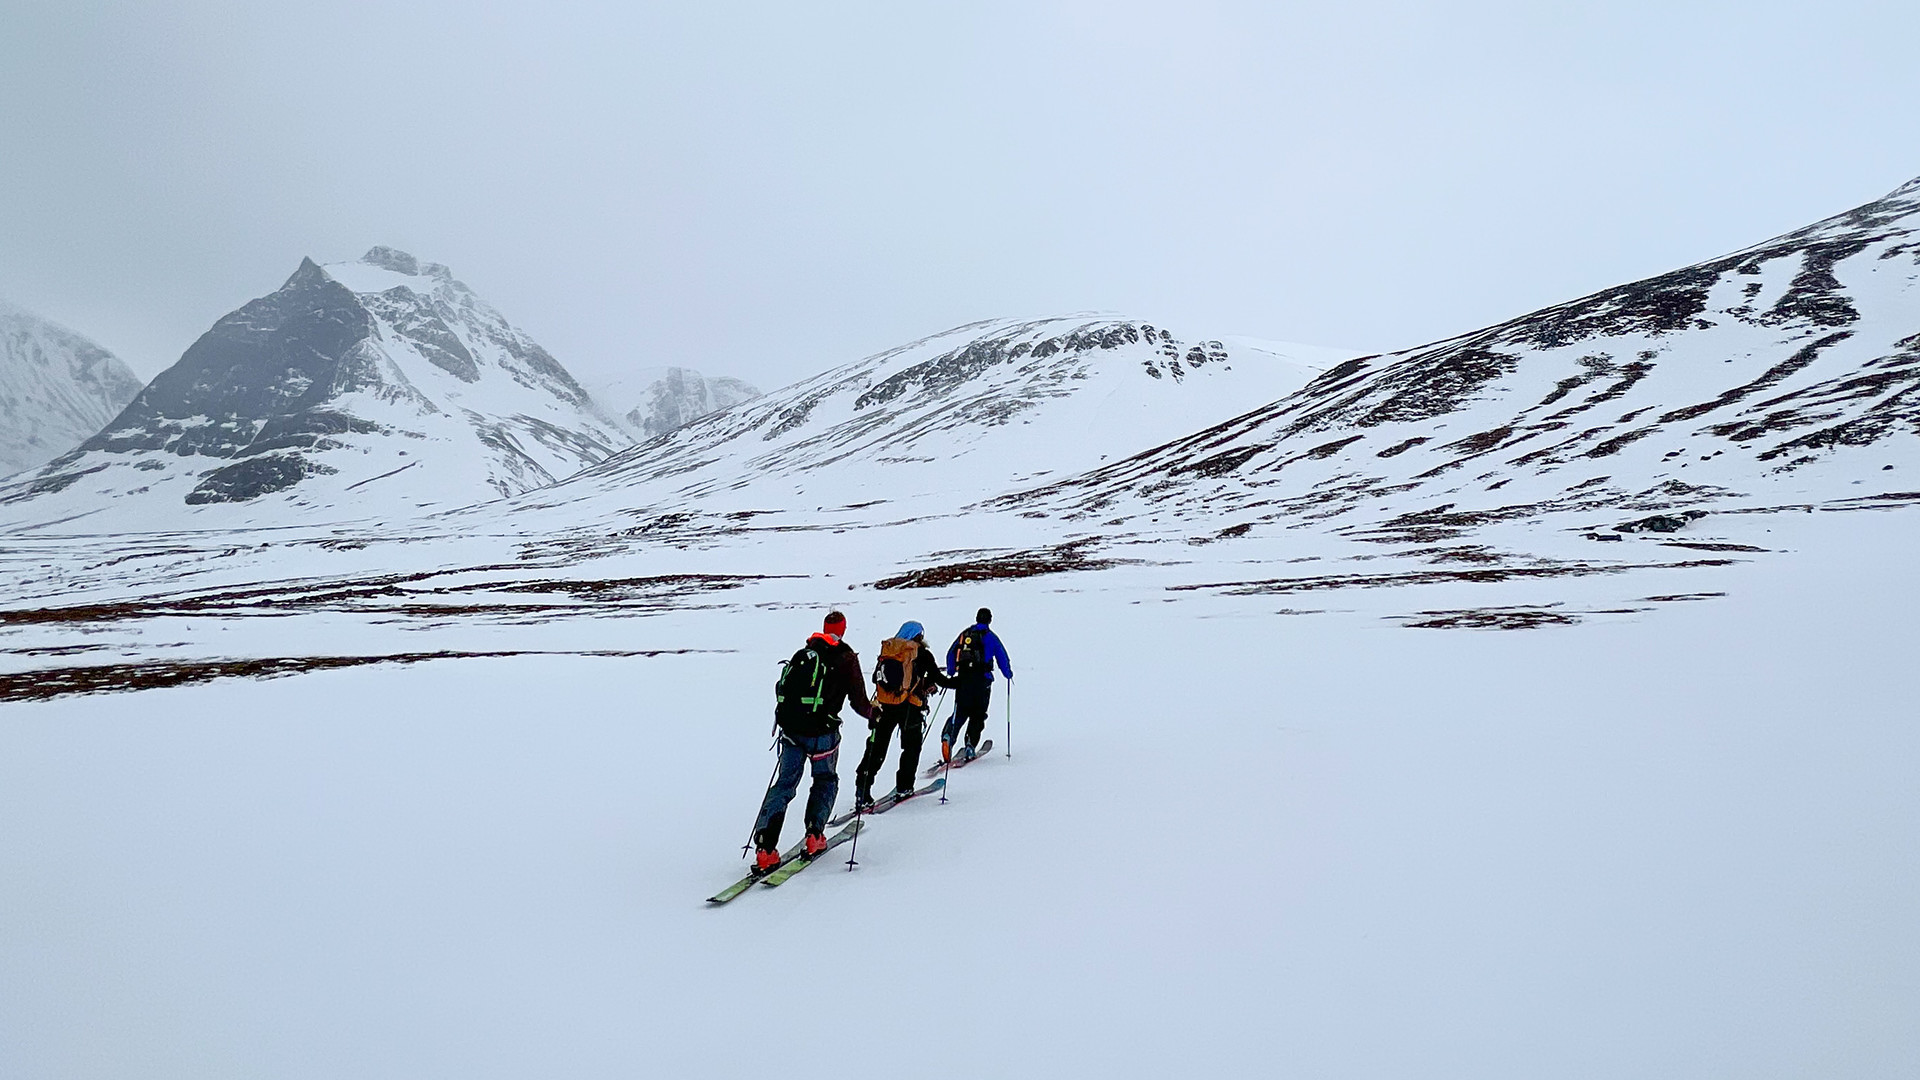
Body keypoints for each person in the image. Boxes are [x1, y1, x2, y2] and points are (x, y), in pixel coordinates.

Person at [751, 611, 874, 870]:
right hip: (823, 734)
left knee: (784, 785)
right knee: (825, 780)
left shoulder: (805, 653)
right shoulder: (846, 658)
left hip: (792, 731)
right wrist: (874, 714)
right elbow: (858, 701)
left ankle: (764, 848)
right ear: (843, 629)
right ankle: (814, 836)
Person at [854, 620, 958, 810]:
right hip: (910, 708)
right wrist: (959, 683)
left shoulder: (890, 651)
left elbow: (876, 678)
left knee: (877, 748)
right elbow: (939, 678)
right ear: (919, 635)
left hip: (884, 706)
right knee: (911, 747)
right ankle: (904, 786)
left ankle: (863, 789)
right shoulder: (922, 653)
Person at [942, 607, 1013, 763]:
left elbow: (952, 652)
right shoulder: (991, 637)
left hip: (963, 680)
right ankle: (970, 744)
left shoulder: (965, 634)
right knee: (978, 714)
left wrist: (952, 670)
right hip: (982, 681)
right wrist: (1008, 674)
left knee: (960, 712)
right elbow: (1002, 656)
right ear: (989, 620)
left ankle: (948, 736)